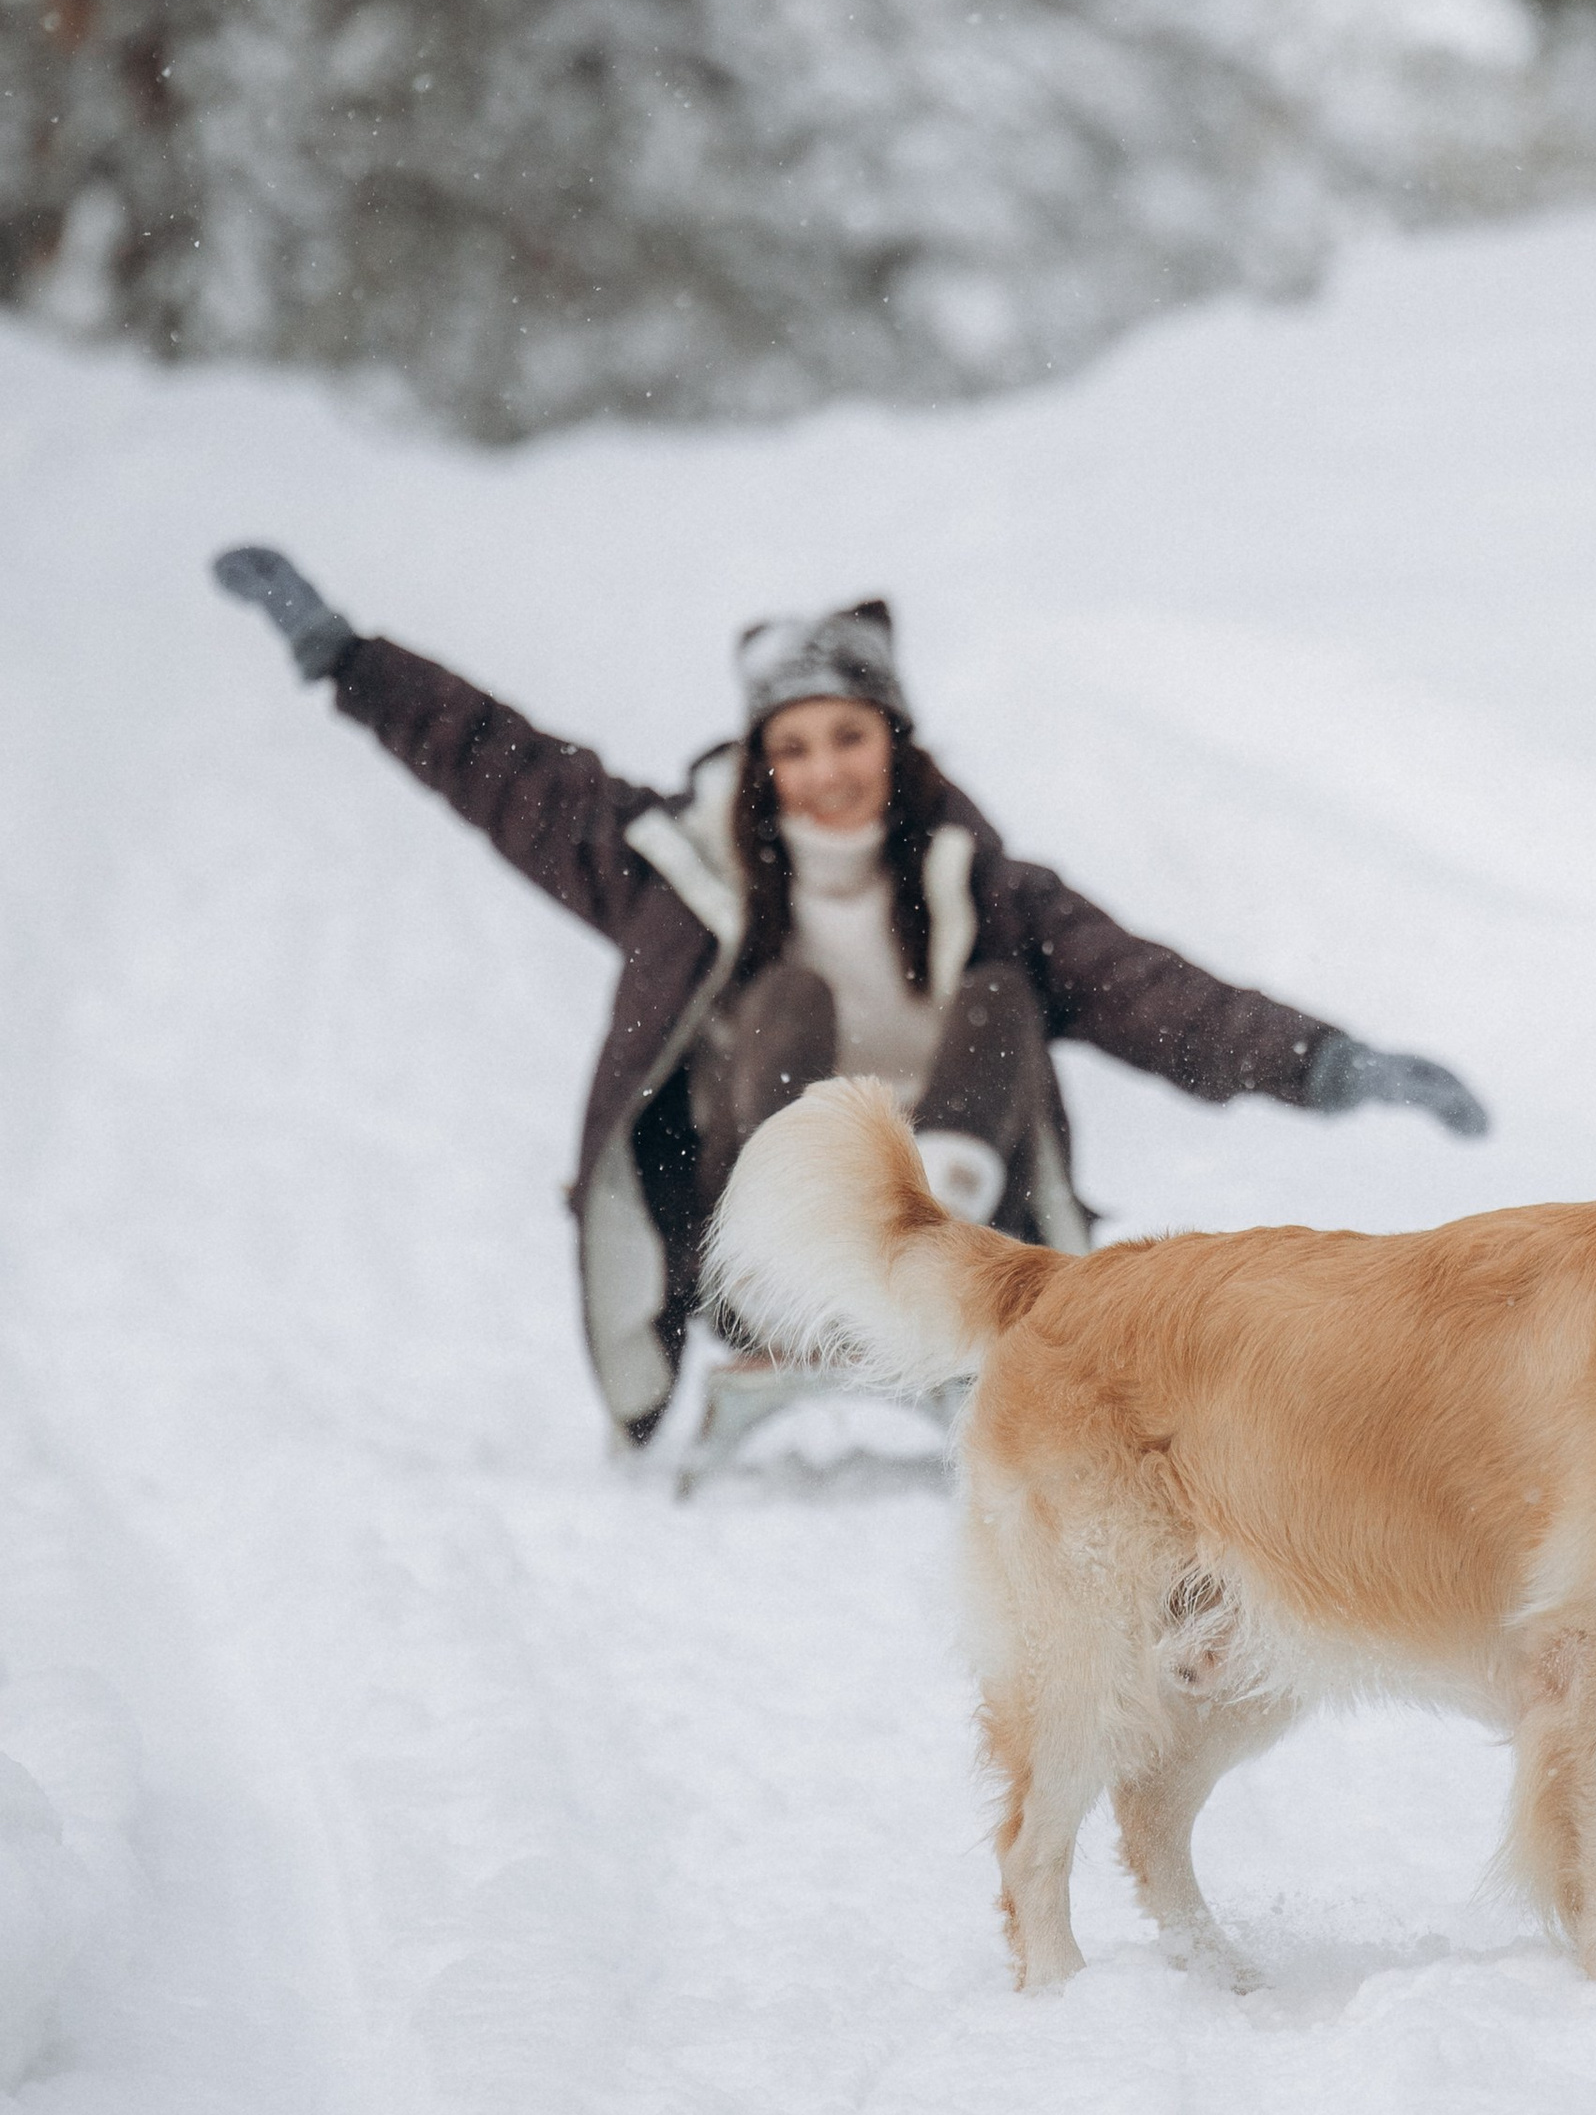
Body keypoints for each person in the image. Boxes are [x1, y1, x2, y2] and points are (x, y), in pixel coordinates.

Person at [212, 548, 1489, 1448]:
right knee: (787, 1013)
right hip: (756, 1259)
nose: (826, 770)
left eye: (851, 736)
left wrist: (1332, 1064)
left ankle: (918, 1258)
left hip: (956, 1248)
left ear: (897, 742)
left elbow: (1158, 994)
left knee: (999, 1000)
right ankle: (833, 1282)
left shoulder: (985, 888)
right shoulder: (681, 874)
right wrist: (347, 660)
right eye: (796, 744)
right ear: (764, 762)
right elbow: (510, 769)